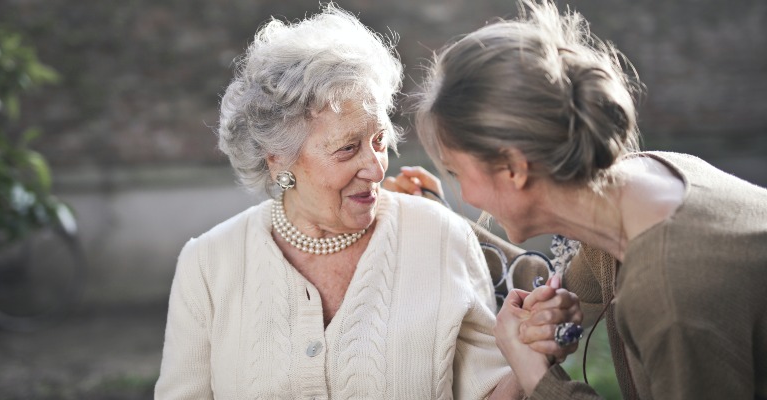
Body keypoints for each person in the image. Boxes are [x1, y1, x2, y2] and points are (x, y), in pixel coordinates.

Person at [153, 4, 572, 399]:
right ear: (279, 157)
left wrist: (525, 359)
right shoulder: (208, 265)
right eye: (348, 148)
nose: (375, 168)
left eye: (378, 140)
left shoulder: (440, 237)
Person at [408, 0, 767, 398]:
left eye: (458, 173)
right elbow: (554, 285)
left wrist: (535, 375)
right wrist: (433, 216)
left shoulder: (670, 296)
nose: (466, 194)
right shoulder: (644, 182)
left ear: (513, 168)